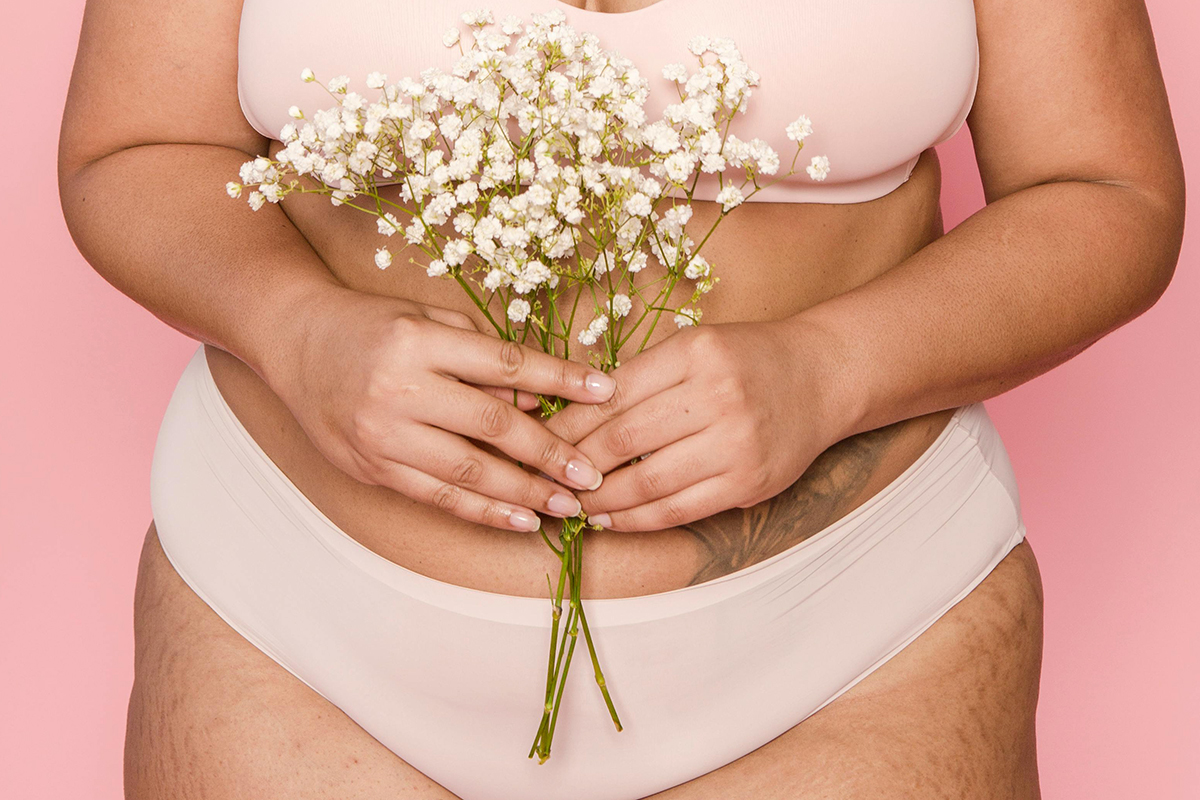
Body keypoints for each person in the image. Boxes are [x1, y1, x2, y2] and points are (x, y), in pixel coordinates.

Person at [58, 0, 1184, 797]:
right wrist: (297, 331)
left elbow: (1107, 188)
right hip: (296, 639)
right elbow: (135, 143)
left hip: (855, 647)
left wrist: (829, 367)